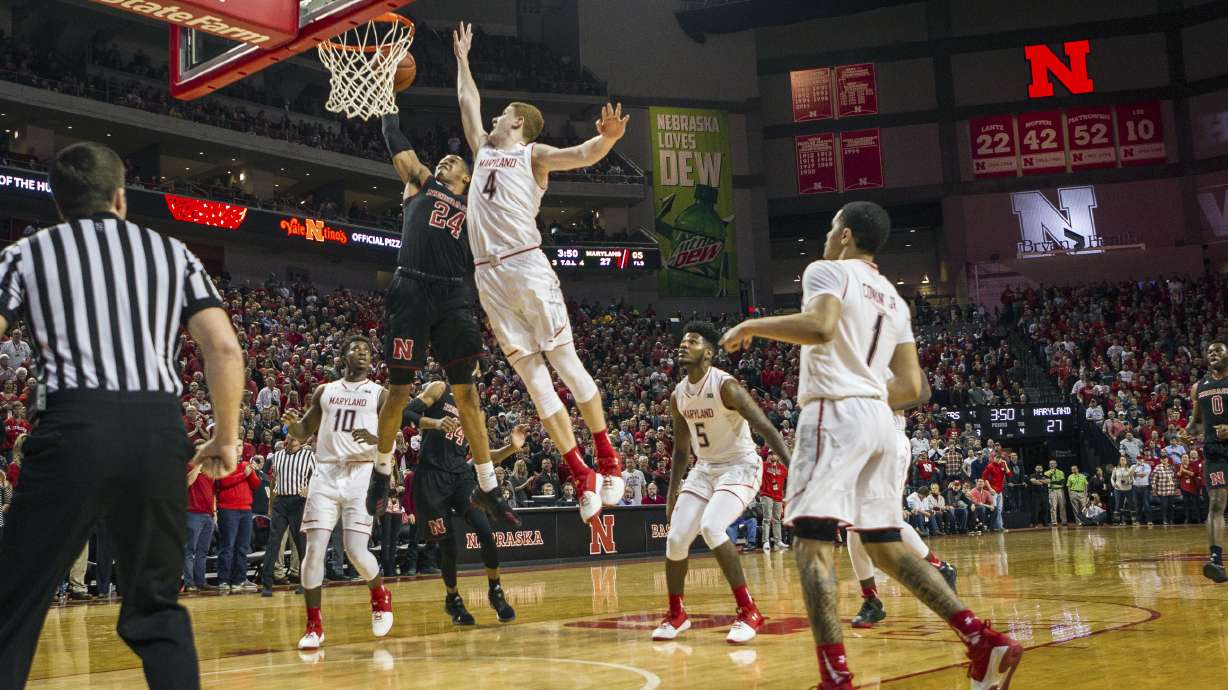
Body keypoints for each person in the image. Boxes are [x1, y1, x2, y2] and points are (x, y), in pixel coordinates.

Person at [719, 201, 1019, 689]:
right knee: (885, 548)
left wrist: (751, 325)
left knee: (812, 547)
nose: (825, 236)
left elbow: (820, 327)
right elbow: (913, 386)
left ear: (845, 235)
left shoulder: (826, 270)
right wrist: (867, 393)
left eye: (830, 226)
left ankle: (835, 678)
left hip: (834, 413)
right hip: (881, 420)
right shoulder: (895, 300)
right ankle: (981, 639)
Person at [0, 141, 244, 689]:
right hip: (157, 430)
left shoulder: (25, 254)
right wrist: (227, 438)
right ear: (120, 197)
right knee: (156, 608)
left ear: (60, 205)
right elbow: (224, 349)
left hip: (73, 425)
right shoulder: (172, 252)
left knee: (13, 605)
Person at [454, 22, 630, 523]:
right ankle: (582, 475)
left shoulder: (533, 155)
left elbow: (582, 155)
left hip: (526, 266)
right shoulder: (483, 150)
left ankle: (608, 457)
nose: (492, 117)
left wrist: (607, 138)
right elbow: (468, 104)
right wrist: (463, 62)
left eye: (501, 114)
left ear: (518, 125)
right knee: (535, 384)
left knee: (567, 366)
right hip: (488, 277)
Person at [368, 107, 518, 534]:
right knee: (399, 391)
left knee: (467, 394)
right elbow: (400, 149)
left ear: (467, 177)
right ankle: (381, 476)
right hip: (411, 287)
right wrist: (388, 111)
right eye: (443, 160)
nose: (445, 162)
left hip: (452, 294)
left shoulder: (478, 204)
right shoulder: (422, 183)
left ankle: (488, 485)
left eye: (454, 162)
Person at [652, 322, 792, 645]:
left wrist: (794, 472)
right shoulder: (678, 396)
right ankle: (677, 614)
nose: (684, 345)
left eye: (693, 341)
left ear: (709, 353)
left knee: (712, 527)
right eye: (683, 340)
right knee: (675, 538)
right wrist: (672, 494)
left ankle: (749, 611)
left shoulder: (726, 386)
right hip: (705, 469)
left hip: (741, 465)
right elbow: (681, 450)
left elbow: (767, 428)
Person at [281, 336, 392, 650]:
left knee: (356, 550)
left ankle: (379, 593)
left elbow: (390, 438)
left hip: (361, 472)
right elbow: (304, 431)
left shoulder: (379, 393)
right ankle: (313, 625)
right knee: (314, 548)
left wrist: (372, 436)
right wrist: (294, 427)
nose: (363, 354)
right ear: (343, 355)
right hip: (326, 472)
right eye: (356, 349)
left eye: (368, 351)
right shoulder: (325, 391)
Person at [403, 378, 524, 625]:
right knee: (448, 547)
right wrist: (435, 423)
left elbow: (483, 454)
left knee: (485, 530)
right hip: (431, 478)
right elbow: (407, 413)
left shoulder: (473, 408)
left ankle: (496, 591)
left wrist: (512, 448)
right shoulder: (439, 388)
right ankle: (453, 599)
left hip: (461, 475)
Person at [848, 381, 957, 630]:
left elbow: (921, 390)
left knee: (880, 521)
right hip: (857, 442)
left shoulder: (887, 348)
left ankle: (938, 569)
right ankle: (873, 599)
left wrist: (881, 399)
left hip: (888, 440)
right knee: (854, 523)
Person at [1183, 341, 1228, 582]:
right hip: (1215, 452)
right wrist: (1189, 429)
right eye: (1210, 351)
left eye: (1218, 350)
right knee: (1216, 502)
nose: (1213, 354)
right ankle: (1215, 561)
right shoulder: (1199, 387)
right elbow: (1197, 422)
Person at [260, 436, 314, 595]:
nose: (292, 439)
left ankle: (305, 582)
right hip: (281, 502)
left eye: (296, 437)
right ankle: (267, 585)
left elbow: (320, 477)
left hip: (299, 502)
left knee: (301, 544)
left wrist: (310, 488)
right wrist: (271, 505)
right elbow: (273, 481)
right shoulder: (276, 456)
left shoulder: (309, 456)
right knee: (273, 543)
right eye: (290, 437)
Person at [760, 453, 788, 551]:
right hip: (766, 494)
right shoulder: (763, 465)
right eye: (771, 454)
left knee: (777, 519)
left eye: (775, 453)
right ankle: (766, 541)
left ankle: (778, 541)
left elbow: (790, 478)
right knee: (767, 519)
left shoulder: (783, 468)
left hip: (778, 497)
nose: (773, 455)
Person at [1111, 456, 1135, 525]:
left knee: (1131, 504)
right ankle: (1116, 521)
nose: (1122, 461)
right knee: (1118, 504)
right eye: (1121, 460)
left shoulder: (1129, 469)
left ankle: (1134, 520)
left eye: (1124, 460)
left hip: (1128, 489)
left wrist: (1129, 482)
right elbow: (1112, 478)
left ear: (1126, 461)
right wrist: (1113, 484)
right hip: (1118, 489)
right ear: (1119, 461)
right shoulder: (1116, 469)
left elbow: (1132, 479)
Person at [1044, 459, 1067, 526]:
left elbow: (1062, 482)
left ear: (1056, 464)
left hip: (1060, 490)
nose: (1052, 464)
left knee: (1062, 506)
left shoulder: (1060, 472)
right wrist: (1055, 481)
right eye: (1050, 463)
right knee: (1053, 507)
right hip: (1052, 490)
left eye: (1053, 463)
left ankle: (1064, 521)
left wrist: (1052, 482)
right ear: (1049, 465)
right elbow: (1047, 481)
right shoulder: (1046, 473)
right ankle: (1054, 522)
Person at [1131, 455, 1153, 526]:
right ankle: (1138, 521)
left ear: (1143, 459)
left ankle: (1149, 520)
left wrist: (1135, 474)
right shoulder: (1133, 466)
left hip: (1145, 487)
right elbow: (1130, 474)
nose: (1139, 460)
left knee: (1146, 504)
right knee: (1137, 505)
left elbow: (1143, 474)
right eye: (1138, 459)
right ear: (1136, 459)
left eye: (1141, 459)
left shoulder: (1147, 466)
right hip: (1135, 487)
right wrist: (1135, 467)